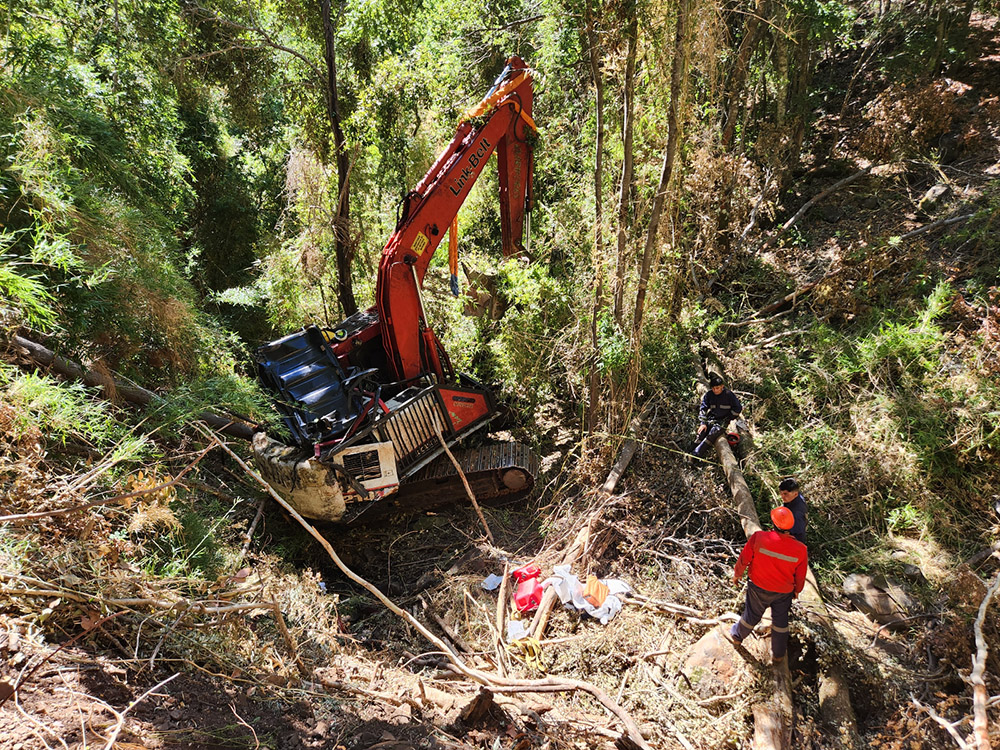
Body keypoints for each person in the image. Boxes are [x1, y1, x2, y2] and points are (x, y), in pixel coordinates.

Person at [730, 506, 808, 663]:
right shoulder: (801, 549)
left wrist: (737, 574)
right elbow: (800, 576)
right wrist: (797, 591)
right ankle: (778, 654)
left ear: (773, 522)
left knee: (751, 615)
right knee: (780, 621)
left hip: (758, 586)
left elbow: (744, 559)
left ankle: (737, 637)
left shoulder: (759, 538)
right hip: (783, 592)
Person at [693, 373, 743, 457]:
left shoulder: (729, 395)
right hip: (711, 418)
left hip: (723, 420)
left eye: (717, 388)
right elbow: (703, 408)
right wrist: (703, 423)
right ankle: (691, 449)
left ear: (722, 386)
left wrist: (729, 418)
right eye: (713, 388)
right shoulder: (709, 395)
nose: (715, 390)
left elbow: (738, 408)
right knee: (701, 433)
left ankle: (696, 454)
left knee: (712, 435)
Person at [778, 478, 807, 544]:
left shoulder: (797, 513)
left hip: (795, 541)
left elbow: (798, 530)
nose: (782, 497)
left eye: (785, 494)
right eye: (781, 493)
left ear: (795, 494)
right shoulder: (792, 497)